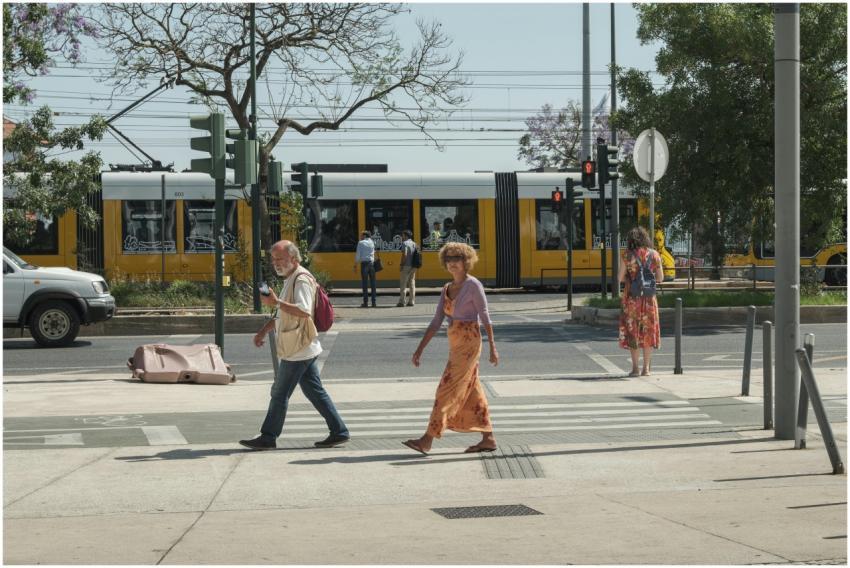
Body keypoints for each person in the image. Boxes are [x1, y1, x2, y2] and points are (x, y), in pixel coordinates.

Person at [240, 240, 350, 450]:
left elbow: (303, 310)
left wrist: (276, 303)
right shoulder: (290, 278)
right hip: (302, 346)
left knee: (279, 393)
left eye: (280, 259)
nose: (276, 263)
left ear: (293, 258)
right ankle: (339, 431)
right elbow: (283, 314)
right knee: (314, 391)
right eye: (273, 259)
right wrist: (264, 330)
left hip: (299, 348)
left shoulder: (301, 280)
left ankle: (268, 436)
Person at [403, 242, 499, 455]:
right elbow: (436, 321)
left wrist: (493, 346)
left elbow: (485, 317)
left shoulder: (473, 285)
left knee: (445, 389)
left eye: (457, 259)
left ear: (466, 262)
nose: (452, 264)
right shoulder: (447, 289)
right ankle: (488, 437)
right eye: (449, 260)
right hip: (455, 343)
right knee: (472, 389)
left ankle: (427, 439)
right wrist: (420, 349)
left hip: (469, 342)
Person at [618, 226, 665, 377]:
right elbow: (660, 278)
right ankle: (646, 369)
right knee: (648, 333)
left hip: (632, 299)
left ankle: (635, 369)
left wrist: (631, 279)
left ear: (630, 240)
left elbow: (619, 278)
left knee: (633, 333)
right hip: (649, 299)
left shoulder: (626, 255)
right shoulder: (655, 254)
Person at [354, 230, 377, 307]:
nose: (360, 236)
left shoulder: (360, 243)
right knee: (373, 284)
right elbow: (373, 253)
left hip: (364, 265)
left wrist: (355, 264)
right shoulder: (372, 242)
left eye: (361, 235)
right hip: (372, 264)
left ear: (365, 236)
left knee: (365, 284)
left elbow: (358, 255)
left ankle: (365, 302)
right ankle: (374, 302)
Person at [397, 230, 418, 307]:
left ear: (406, 236)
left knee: (403, 284)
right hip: (414, 266)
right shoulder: (414, 244)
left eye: (403, 235)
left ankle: (402, 301)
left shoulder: (405, 243)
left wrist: (402, 264)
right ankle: (411, 301)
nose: (402, 237)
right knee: (412, 283)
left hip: (406, 266)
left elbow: (404, 254)